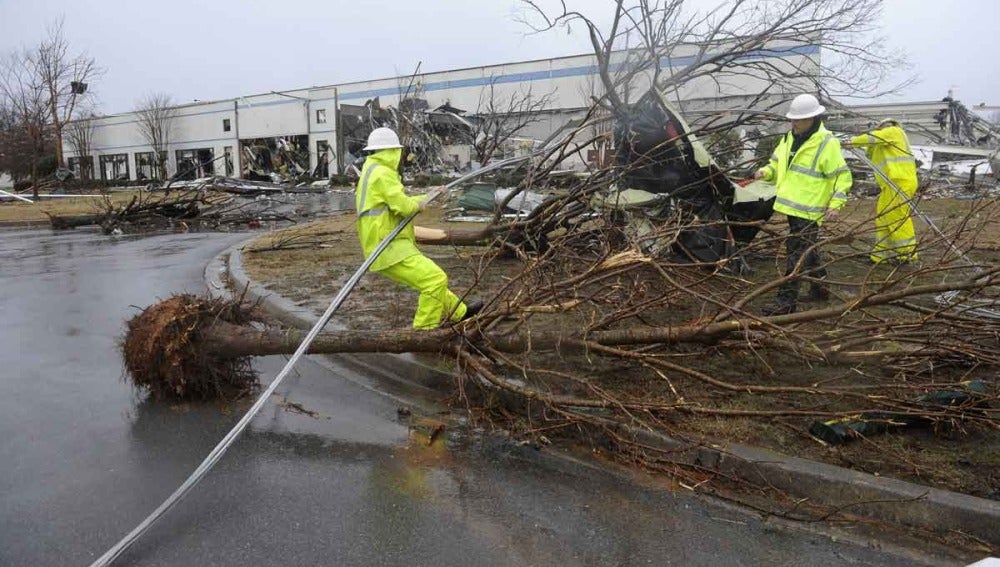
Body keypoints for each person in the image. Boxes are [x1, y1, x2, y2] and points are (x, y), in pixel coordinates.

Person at [355, 127, 482, 329]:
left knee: (430, 280)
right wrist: (420, 204)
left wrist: (428, 197)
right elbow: (404, 207)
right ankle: (424, 330)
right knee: (434, 279)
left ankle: (460, 312)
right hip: (387, 244)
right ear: (392, 151)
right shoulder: (383, 173)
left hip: (383, 242)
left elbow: (396, 202)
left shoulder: (372, 170)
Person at [754, 94, 852, 315]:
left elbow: (841, 177)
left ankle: (786, 302)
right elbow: (777, 164)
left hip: (810, 209)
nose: (793, 123)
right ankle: (820, 288)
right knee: (808, 249)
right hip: (792, 207)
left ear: (813, 119)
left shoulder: (827, 143)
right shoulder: (789, 138)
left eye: (798, 120)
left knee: (795, 254)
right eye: (793, 119)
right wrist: (765, 172)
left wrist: (835, 204)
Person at [846, 119, 919, 265]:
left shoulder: (894, 131)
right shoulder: (885, 144)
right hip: (890, 185)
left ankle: (907, 255)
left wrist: (852, 141)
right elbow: (870, 149)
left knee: (897, 218)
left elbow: (873, 138)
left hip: (900, 182)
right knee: (883, 218)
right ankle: (879, 256)